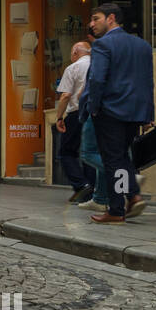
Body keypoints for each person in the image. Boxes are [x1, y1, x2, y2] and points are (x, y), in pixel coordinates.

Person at [80, 2, 154, 224]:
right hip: (134, 111)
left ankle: (116, 209)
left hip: (111, 110)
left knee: (112, 159)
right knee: (121, 157)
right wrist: (148, 112)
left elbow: (97, 79)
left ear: (111, 18)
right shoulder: (143, 46)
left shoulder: (103, 45)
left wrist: (93, 108)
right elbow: (148, 82)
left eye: (96, 19)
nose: (92, 24)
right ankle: (130, 197)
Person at [54, 41, 96, 203]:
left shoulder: (73, 68)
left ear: (75, 53)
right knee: (89, 153)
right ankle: (90, 191)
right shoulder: (99, 65)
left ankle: (81, 185)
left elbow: (65, 96)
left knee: (66, 152)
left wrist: (59, 117)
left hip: (76, 114)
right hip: (95, 114)